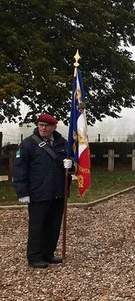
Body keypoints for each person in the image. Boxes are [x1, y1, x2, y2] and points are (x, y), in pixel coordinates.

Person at [13, 114, 72, 269]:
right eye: (40, 125)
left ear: (54, 127)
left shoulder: (62, 143)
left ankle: (48, 253)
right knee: (37, 226)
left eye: (46, 125)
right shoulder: (28, 144)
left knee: (53, 225)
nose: (43, 128)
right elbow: (20, 169)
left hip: (58, 191)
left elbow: (69, 167)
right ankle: (34, 256)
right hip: (38, 192)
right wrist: (22, 192)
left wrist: (70, 164)